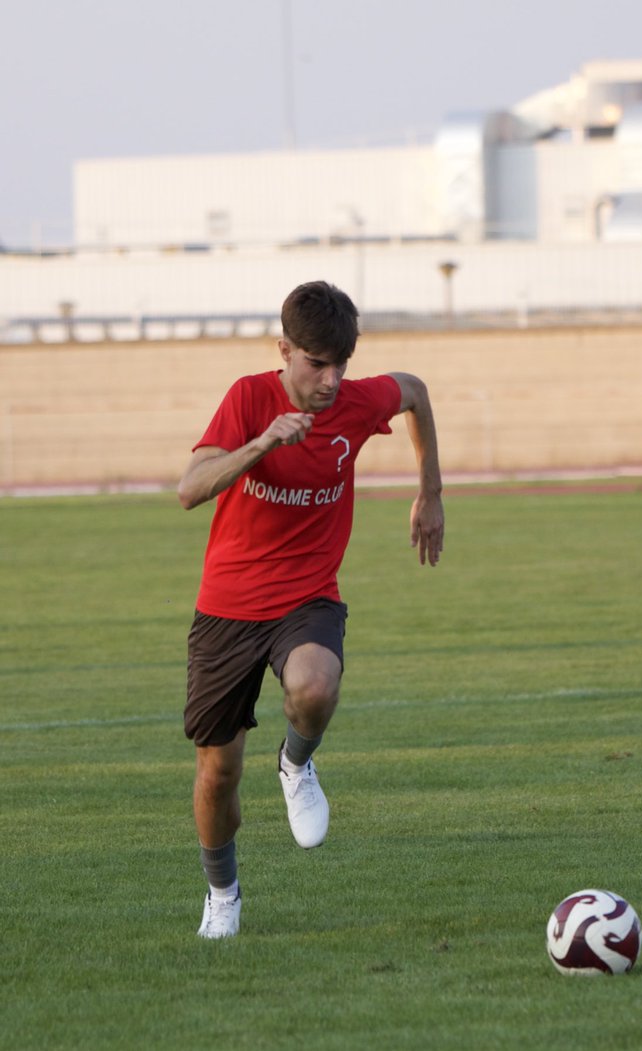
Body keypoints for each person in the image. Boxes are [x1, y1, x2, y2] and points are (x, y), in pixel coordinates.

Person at [179, 280, 444, 939]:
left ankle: (297, 761)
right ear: (284, 351)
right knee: (217, 774)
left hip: (307, 595)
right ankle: (223, 892)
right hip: (228, 607)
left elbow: (414, 389)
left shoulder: (355, 402)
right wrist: (263, 443)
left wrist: (430, 491)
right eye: (316, 364)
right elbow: (190, 489)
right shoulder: (248, 398)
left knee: (316, 683)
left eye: (341, 365)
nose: (330, 380)